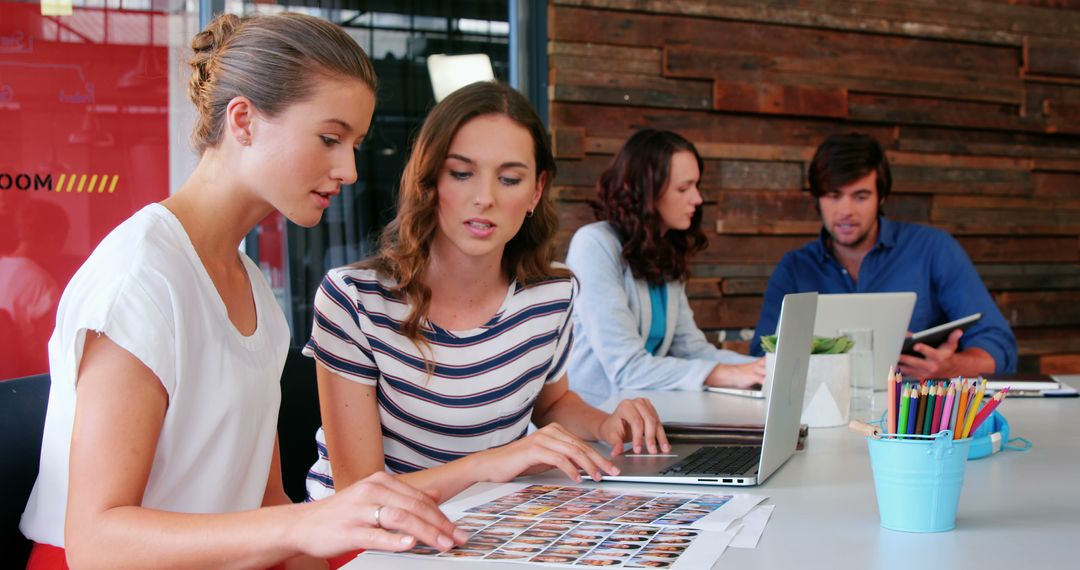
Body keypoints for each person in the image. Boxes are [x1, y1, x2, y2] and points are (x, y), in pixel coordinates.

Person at [19, 13, 467, 570]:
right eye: (330, 138)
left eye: (354, 144)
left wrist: (306, 532)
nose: (350, 170)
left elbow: (267, 504)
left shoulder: (250, 283)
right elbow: (96, 543)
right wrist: (309, 522)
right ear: (244, 120)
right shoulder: (141, 276)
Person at [305, 81, 671, 511]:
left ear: (536, 190)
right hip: (368, 540)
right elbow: (358, 495)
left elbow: (550, 402)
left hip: (486, 524)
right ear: (430, 179)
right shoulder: (354, 299)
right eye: (461, 173)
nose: (485, 199)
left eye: (510, 179)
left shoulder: (552, 294)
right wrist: (490, 464)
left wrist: (607, 423)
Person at [750, 132, 1017, 377]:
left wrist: (951, 366)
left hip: (915, 414)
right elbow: (761, 357)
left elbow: (998, 346)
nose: (846, 211)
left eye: (860, 196)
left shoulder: (933, 248)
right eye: (833, 196)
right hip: (823, 415)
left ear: (882, 197)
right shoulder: (795, 268)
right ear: (817, 199)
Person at [565, 128, 764, 406]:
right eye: (683, 188)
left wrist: (762, 367)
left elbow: (690, 350)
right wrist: (724, 374)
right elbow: (627, 368)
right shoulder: (594, 245)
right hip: (591, 424)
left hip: (643, 417)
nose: (697, 199)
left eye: (696, 186)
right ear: (646, 191)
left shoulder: (663, 249)